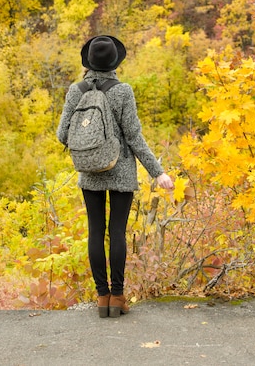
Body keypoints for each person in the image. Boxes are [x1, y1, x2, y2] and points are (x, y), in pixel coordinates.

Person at [56, 35, 174, 318]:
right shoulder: (123, 92)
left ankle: (101, 297)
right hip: (120, 171)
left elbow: (62, 134)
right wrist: (158, 173)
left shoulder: (76, 90)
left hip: (88, 171)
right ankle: (118, 297)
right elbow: (134, 137)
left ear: (89, 62)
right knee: (117, 232)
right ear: (115, 62)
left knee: (95, 231)